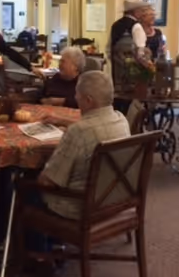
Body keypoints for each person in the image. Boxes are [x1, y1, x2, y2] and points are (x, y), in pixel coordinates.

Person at [25, 71, 130, 267]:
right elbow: (95, 124)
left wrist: (30, 176)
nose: (75, 98)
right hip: (113, 199)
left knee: (26, 186)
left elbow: (49, 181)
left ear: (88, 100)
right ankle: (56, 244)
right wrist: (65, 121)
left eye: (77, 95)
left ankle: (39, 257)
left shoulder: (78, 132)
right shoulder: (121, 119)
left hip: (80, 207)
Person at [108, 0, 152, 113]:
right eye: (141, 11)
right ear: (136, 12)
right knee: (131, 104)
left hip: (117, 71)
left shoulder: (115, 25)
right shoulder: (136, 26)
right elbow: (140, 52)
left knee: (119, 102)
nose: (142, 13)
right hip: (132, 73)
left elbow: (109, 48)